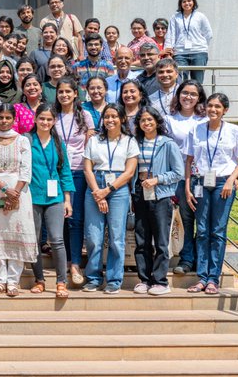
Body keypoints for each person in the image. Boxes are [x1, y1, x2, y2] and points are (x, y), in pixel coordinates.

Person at [183, 93, 238, 295]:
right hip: (201, 182)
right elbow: (189, 160)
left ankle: (213, 278)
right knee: (201, 230)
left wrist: (231, 180)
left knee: (217, 231)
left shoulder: (233, 131)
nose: (213, 110)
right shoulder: (197, 129)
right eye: (210, 106)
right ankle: (202, 277)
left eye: (217, 107)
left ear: (225, 110)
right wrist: (187, 187)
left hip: (223, 184)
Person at [81, 104, 139, 294]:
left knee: (116, 237)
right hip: (95, 185)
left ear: (122, 119)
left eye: (114, 116)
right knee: (93, 237)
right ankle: (93, 277)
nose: (110, 120)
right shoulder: (94, 140)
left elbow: (130, 171)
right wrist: (98, 192)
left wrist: (108, 191)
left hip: (118, 187)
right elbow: (87, 168)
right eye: (106, 116)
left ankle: (114, 279)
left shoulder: (129, 141)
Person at [0, 103, 35, 296]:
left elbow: (26, 170)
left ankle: (13, 280)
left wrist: (15, 192)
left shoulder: (22, 140)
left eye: (8, 118)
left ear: (14, 119)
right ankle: (0, 280)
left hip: (20, 190)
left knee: (16, 232)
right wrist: (4, 188)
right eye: (1, 117)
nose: (4, 121)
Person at [131, 106, 184, 296]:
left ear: (157, 122)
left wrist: (158, 179)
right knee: (142, 239)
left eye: (150, 120)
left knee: (161, 240)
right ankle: (144, 279)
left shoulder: (167, 144)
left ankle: (160, 280)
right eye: (143, 120)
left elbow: (178, 173)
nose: (146, 123)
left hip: (160, 195)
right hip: (140, 194)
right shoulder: (134, 142)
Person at [53, 77, 94, 287]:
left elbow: (90, 144)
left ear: (75, 93)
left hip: (78, 171)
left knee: (75, 219)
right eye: (61, 92)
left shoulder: (85, 115)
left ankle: (75, 263)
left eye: (68, 92)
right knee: (59, 219)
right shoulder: (53, 115)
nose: (65, 95)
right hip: (56, 173)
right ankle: (63, 260)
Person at [28, 105, 72, 298]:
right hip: (32, 196)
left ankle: (61, 282)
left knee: (57, 239)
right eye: (42, 118)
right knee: (34, 240)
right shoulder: (27, 140)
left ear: (54, 121)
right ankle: (39, 280)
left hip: (55, 198)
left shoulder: (57, 142)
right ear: (35, 119)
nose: (45, 122)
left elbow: (65, 171)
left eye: (49, 119)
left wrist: (67, 199)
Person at [167, 80, 208, 275]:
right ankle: (187, 259)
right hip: (180, 176)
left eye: (193, 94)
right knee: (185, 219)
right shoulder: (170, 119)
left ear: (199, 98)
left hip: (202, 177)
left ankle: (203, 260)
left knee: (203, 220)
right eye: (184, 93)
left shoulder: (206, 120)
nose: (188, 97)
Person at [169, 0, 213, 83]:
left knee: (197, 82)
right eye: (184, 1)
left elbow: (208, 34)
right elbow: (171, 34)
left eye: (189, 1)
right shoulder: (175, 17)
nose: (187, 3)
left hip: (198, 52)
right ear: (180, 3)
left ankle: (198, 98)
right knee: (180, 80)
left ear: (194, 2)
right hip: (180, 53)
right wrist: (169, 50)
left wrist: (201, 45)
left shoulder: (200, 16)